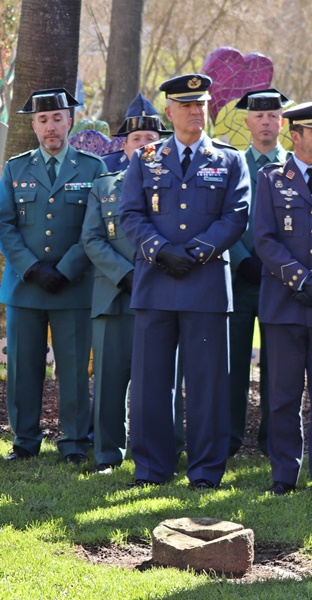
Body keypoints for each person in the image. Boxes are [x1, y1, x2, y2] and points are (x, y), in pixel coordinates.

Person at [119, 74, 250, 488]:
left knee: (208, 385)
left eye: (202, 105)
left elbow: (236, 214)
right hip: (156, 283)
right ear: (170, 112)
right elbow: (130, 215)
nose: (196, 112)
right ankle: (152, 468)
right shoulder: (146, 158)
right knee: (150, 384)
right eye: (187, 106)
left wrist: (196, 251)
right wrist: (159, 249)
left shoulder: (230, 159)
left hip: (205, 284)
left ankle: (206, 470)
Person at [0, 88, 106, 464]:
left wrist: (65, 269)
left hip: (73, 286)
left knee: (74, 369)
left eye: (57, 118)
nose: (51, 127)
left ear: (70, 121)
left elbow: (98, 225)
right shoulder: (15, 167)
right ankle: (25, 441)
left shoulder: (93, 168)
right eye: (43, 120)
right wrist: (31, 267)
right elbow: (5, 224)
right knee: (23, 369)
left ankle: (75, 443)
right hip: (25, 286)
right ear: (33, 125)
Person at [253, 100, 312, 497]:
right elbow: (264, 238)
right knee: (283, 395)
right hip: (284, 304)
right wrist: (300, 279)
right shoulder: (271, 179)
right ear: (297, 136)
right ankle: (283, 474)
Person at [81, 94, 170, 473]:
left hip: (162, 297)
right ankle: (107, 453)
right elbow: (92, 239)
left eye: (151, 138)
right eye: (136, 140)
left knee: (161, 382)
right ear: (125, 145)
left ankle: (163, 449)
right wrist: (126, 274)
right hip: (115, 296)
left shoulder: (176, 187)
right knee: (109, 383)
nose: (144, 145)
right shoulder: (104, 186)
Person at [229, 88, 290, 457]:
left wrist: (276, 265)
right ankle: (230, 439)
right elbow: (223, 217)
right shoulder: (233, 163)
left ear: (282, 122)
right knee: (233, 365)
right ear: (248, 122)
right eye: (259, 116)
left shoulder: (294, 165)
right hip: (239, 279)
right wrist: (240, 259)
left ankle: (274, 441)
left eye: (273, 116)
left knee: (279, 366)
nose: (266, 122)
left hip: (281, 280)